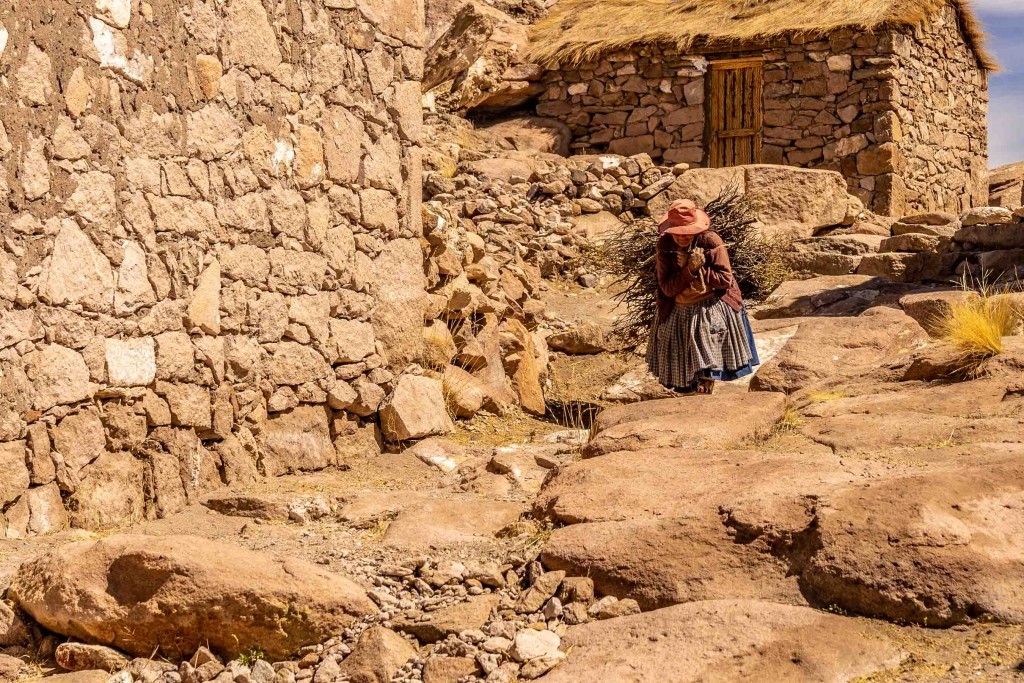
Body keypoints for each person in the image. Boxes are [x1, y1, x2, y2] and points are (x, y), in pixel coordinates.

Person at [646, 199, 760, 395]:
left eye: (688, 231)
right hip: (679, 306)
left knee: (709, 337)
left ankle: (705, 385)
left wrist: (701, 268)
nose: (683, 237)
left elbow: (725, 279)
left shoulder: (710, 241)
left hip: (711, 302)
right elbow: (667, 288)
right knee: (679, 352)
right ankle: (687, 391)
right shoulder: (665, 246)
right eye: (679, 232)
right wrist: (689, 270)